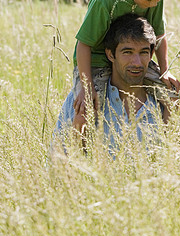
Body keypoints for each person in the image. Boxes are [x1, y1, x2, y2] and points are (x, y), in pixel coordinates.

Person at [72, 0, 179, 132]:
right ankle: (78, 154)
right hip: (96, 60)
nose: (154, 4)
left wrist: (164, 71)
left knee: (172, 95)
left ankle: (167, 144)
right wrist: (86, 87)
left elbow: (160, 35)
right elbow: (84, 44)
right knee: (86, 110)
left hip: (134, 57)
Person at [54, 14, 167, 155]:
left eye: (143, 52)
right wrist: (79, 130)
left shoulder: (164, 104)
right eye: (127, 52)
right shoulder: (83, 101)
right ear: (110, 55)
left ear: (151, 55)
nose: (137, 62)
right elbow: (58, 163)